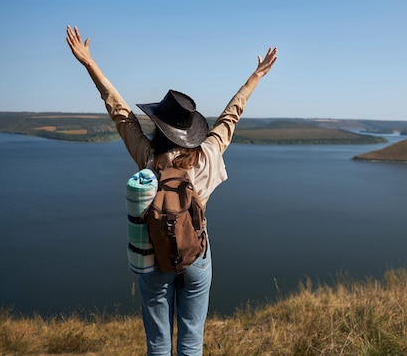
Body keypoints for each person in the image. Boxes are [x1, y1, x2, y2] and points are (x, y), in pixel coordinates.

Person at [65, 25, 277, 356]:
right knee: (191, 342)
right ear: (190, 132)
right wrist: (257, 75)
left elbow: (121, 114)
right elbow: (230, 116)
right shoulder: (207, 155)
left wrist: (89, 63)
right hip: (196, 258)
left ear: (158, 126)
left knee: (158, 345)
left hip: (155, 259)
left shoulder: (149, 158)